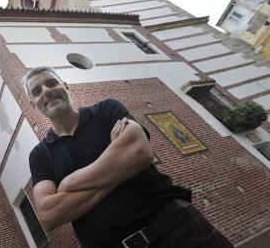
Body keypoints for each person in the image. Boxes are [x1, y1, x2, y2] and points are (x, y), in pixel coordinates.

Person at [24, 66, 233, 248]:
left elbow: (139, 152)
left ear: (66, 86)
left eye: (52, 83)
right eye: (37, 91)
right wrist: (121, 168)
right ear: (34, 104)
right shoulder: (40, 155)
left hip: (178, 230)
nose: (47, 91)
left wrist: (69, 183)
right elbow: (49, 215)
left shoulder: (106, 110)